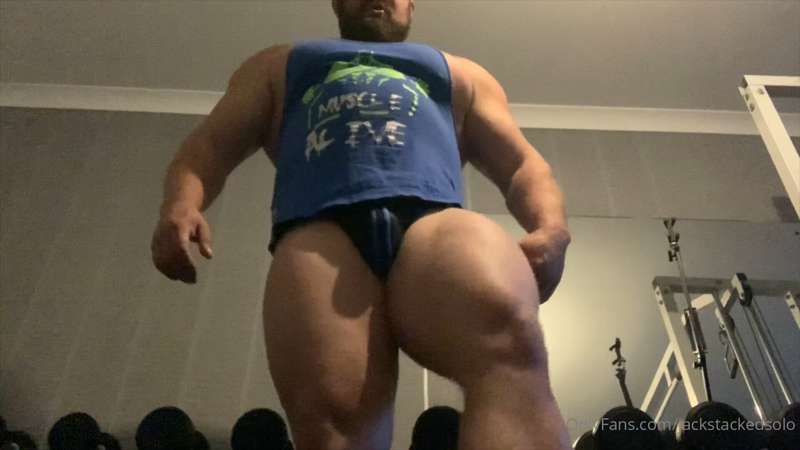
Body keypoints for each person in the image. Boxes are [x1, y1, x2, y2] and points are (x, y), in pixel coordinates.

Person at [150, 1, 572, 449]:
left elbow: (523, 164)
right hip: (321, 233)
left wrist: (551, 227)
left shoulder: (460, 72)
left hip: (435, 227)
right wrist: (181, 204)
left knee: (510, 348)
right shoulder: (281, 63)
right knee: (333, 417)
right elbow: (210, 145)